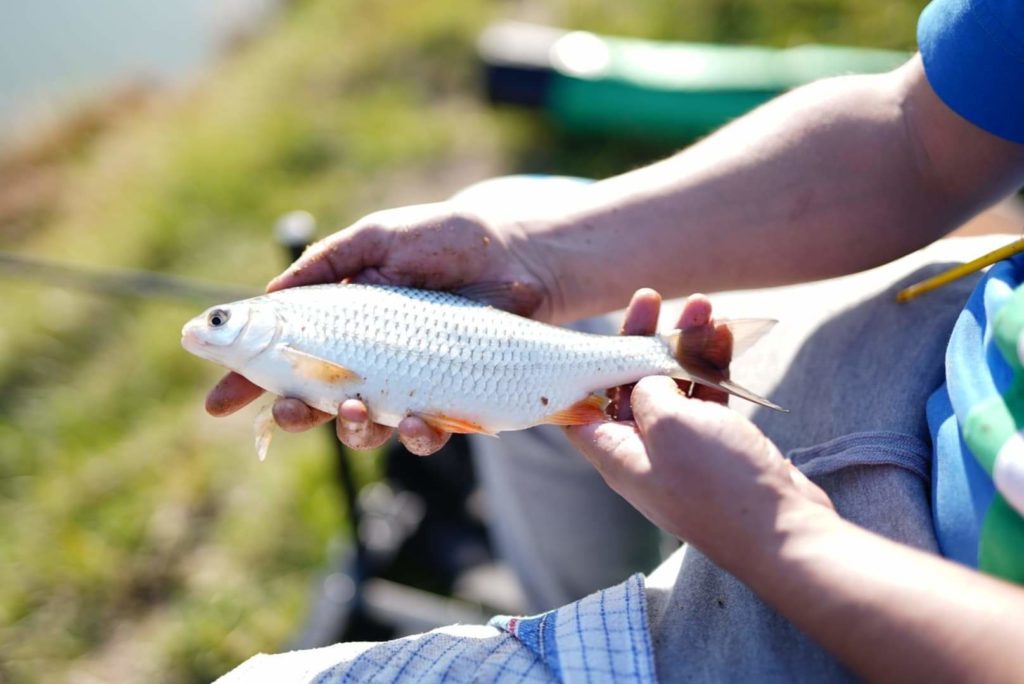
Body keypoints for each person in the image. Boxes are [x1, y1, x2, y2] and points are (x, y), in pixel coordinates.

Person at [211, 0, 1024, 680]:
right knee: (516, 207)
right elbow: (920, 137)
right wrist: (531, 253)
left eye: (221, 323)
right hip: (927, 336)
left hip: (880, 613)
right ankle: (598, 613)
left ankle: (622, 632)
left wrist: (776, 537)